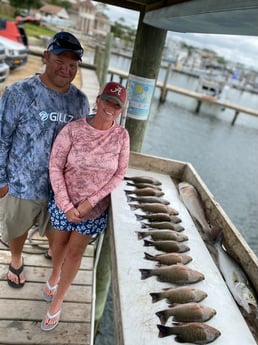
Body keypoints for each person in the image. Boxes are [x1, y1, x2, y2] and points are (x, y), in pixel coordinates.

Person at [0, 31, 90, 288]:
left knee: (58, 234)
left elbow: (82, 145)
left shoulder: (80, 102)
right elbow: (2, 137)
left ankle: (55, 258)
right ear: (47, 56)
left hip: (59, 190)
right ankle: (16, 259)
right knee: (17, 230)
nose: (66, 69)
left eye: (73, 65)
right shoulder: (19, 92)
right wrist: (1, 179)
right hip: (20, 184)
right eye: (61, 61)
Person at [41, 81, 130, 331]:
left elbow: (119, 174)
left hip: (94, 209)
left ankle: (57, 300)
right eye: (107, 101)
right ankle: (54, 276)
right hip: (64, 202)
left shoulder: (122, 136)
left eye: (116, 104)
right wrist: (67, 203)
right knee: (58, 244)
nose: (110, 107)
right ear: (98, 99)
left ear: (121, 109)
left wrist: (91, 201)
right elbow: (55, 166)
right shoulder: (73, 129)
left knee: (75, 252)